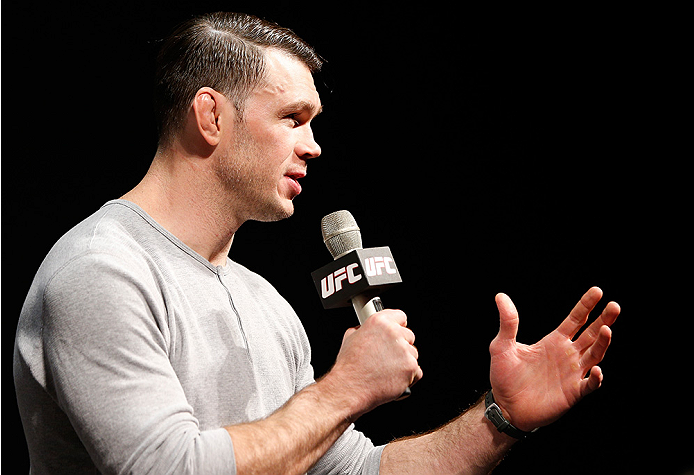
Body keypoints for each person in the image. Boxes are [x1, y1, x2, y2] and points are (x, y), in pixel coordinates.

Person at [13, 11, 621, 474]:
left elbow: (352, 470)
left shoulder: (266, 303)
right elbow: (167, 467)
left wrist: (501, 418)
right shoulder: (103, 271)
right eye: (292, 118)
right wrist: (345, 390)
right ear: (211, 117)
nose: (314, 146)